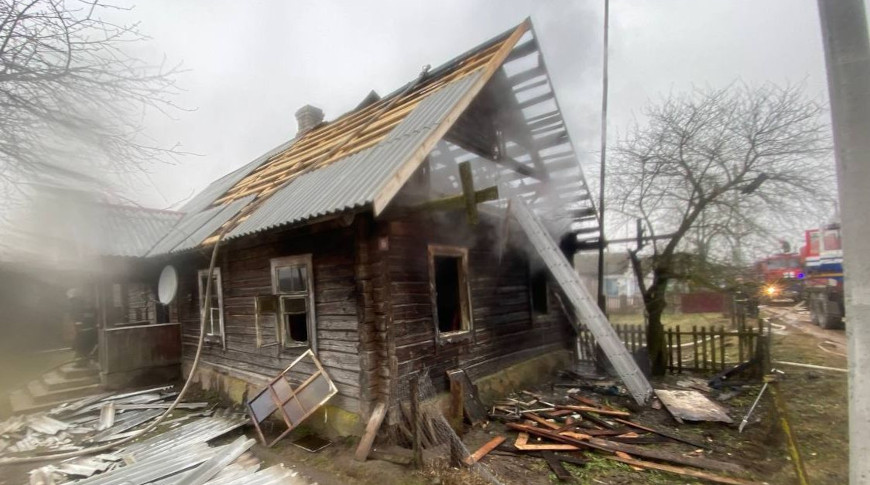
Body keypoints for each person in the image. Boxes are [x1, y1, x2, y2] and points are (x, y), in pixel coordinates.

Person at [67, 288, 97, 366]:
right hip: (84, 327)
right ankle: (81, 361)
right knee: (81, 344)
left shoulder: (79, 304)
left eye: (73, 299)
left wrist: (79, 324)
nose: (72, 301)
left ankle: (81, 362)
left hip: (85, 328)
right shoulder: (78, 304)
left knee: (82, 344)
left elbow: (80, 315)